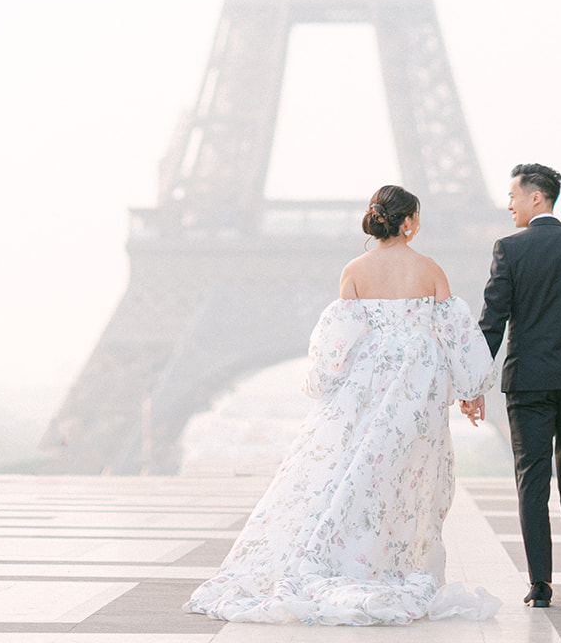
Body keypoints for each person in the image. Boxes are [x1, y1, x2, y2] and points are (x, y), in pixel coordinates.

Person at [186, 184, 501, 626]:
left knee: (356, 471)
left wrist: (326, 383)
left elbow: (338, 343)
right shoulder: (429, 268)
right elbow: (456, 333)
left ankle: (347, 556)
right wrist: (472, 388)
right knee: (407, 477)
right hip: (417, 384)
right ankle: (393, 562)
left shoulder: (355, 269)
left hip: (368, 381)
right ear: (409, 221)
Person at [461, 163, 561, 610]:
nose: (508, 204)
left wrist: (473, 379)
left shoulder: (509, 250)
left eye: (513, 195)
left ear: (536, 198)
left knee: (532, 481)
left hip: (528, 381)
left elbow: (492, 322)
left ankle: (540, 585)